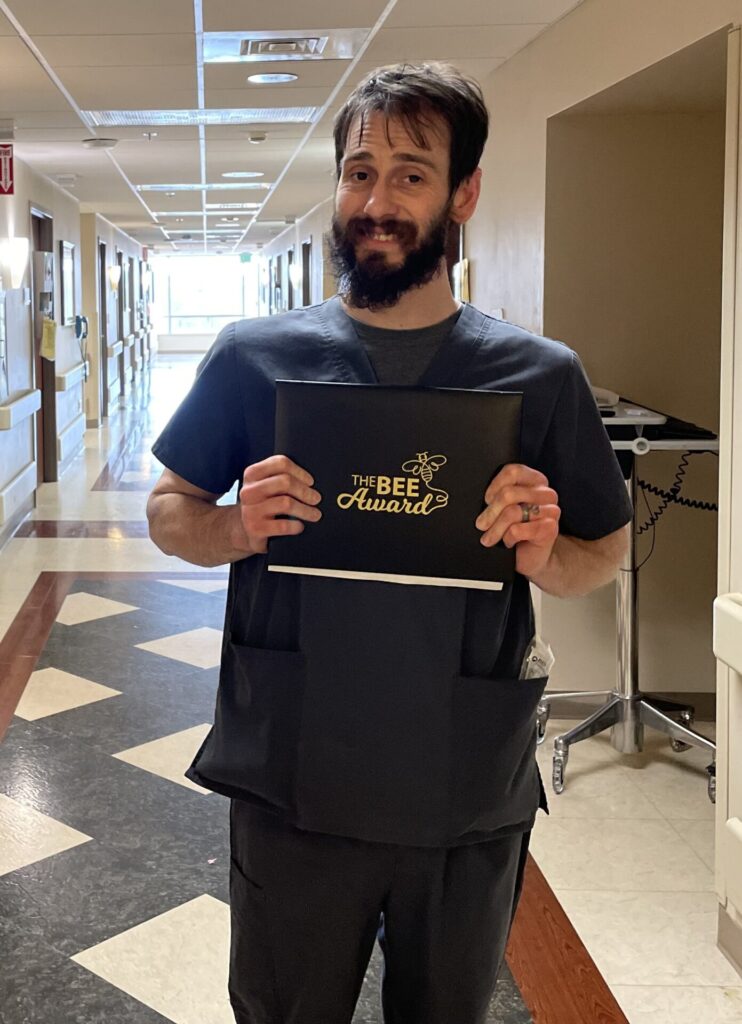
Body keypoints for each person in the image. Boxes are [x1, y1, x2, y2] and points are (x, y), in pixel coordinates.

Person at [147, 62, 632, 1024]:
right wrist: (235, 525)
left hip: (461, 784)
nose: (377, 201)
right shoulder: (256, 359)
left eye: (411, 174)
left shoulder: (537, 377)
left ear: (464, 194)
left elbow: (603, 548)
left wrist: (545, 553)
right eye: (358, 170)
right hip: (294, 775)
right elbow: (170, 509)